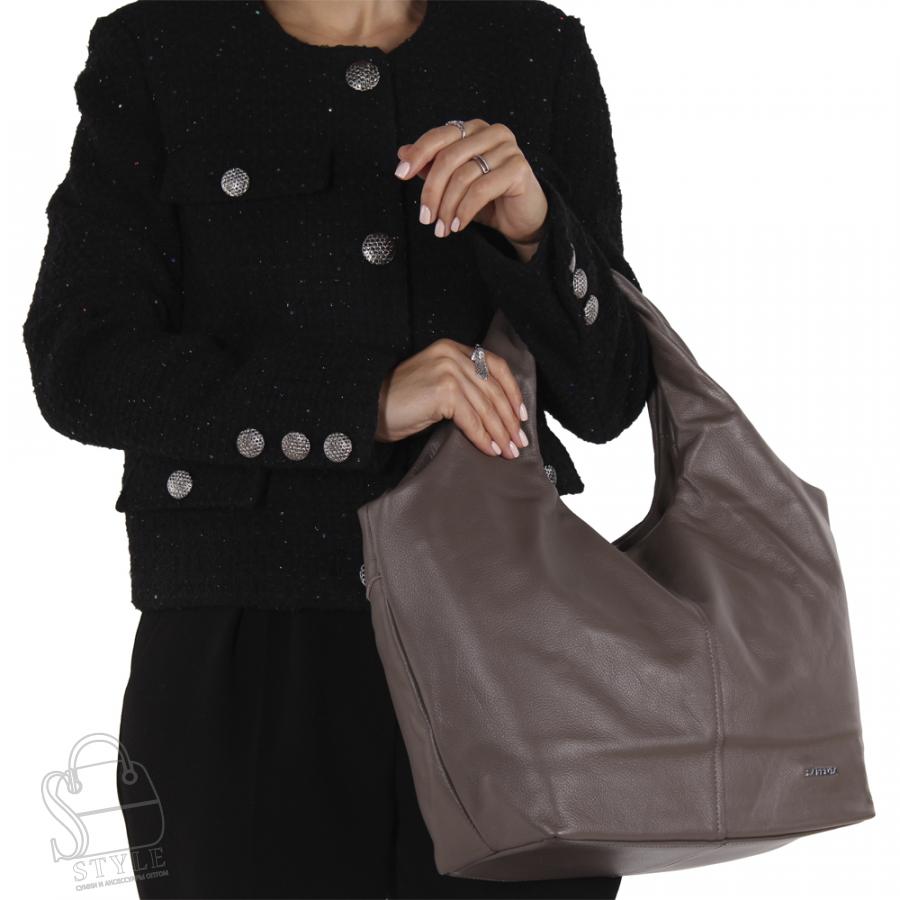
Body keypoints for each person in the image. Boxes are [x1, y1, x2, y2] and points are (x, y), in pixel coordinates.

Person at [22, 1, 655, 896]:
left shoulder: (535, 48)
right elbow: (82, 362)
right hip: (245, 655)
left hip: (512, 653)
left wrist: (535, 234)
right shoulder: (157, 50)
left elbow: (609, 395)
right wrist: (360, 400)